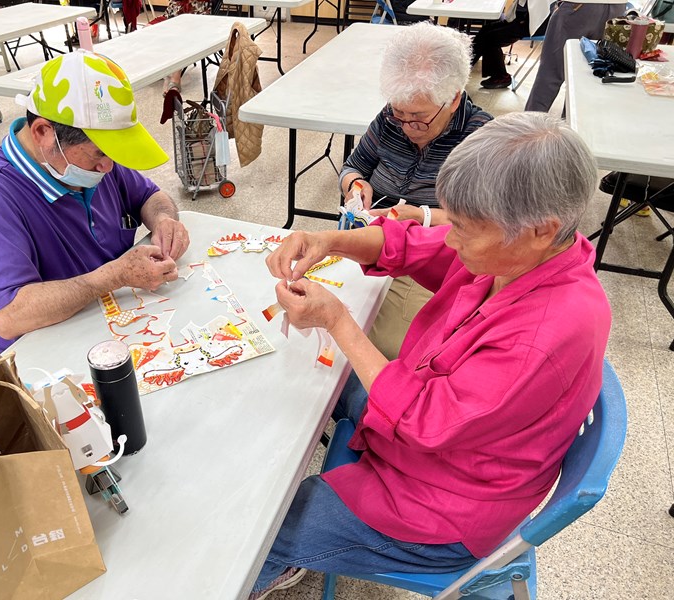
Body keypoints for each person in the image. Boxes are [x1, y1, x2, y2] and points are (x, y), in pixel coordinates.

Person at [252, 112, 610, 599]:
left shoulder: (545, 332)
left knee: (264, 524)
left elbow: (422, 419)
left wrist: (337, 320)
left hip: (440, 507)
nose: (451, 236)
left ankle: (271, 562)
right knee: (324, 380)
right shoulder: (525, 252)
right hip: (435, 431)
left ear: (541, 229)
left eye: (464, 227)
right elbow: (415, 242)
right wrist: (328, 240)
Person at [0, 50, 190, 359]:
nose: (109, 166)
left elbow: (150, 196)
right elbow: (10, 315)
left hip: (108, 325)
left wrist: (164, 221)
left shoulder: (95, 159)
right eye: (98, 154)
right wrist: (116, 275)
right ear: (43, 132)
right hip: (41, 356)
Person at [338, 21, 493, 360]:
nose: (407, 128)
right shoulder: (390, 119)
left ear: (453, 98)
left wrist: (422, 217)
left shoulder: (482, 140)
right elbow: (353, 166)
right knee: (321, 313)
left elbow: (485, 223)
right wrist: (356, 185)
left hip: (429, 259)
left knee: (392, 347)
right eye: (400, 114)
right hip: (372, 237)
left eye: (419, 118)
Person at [525, 0, 625, 112]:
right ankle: (570, 126)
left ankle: (530, 124)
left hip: (580, 6)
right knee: (586, 76)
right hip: (617, 8)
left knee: (551, 72)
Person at [472, 3, 548, 89]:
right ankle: (467, 64)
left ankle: (501, 77)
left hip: (533, 24)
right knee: (485, 30)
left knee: (491, 37)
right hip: (521, 19)